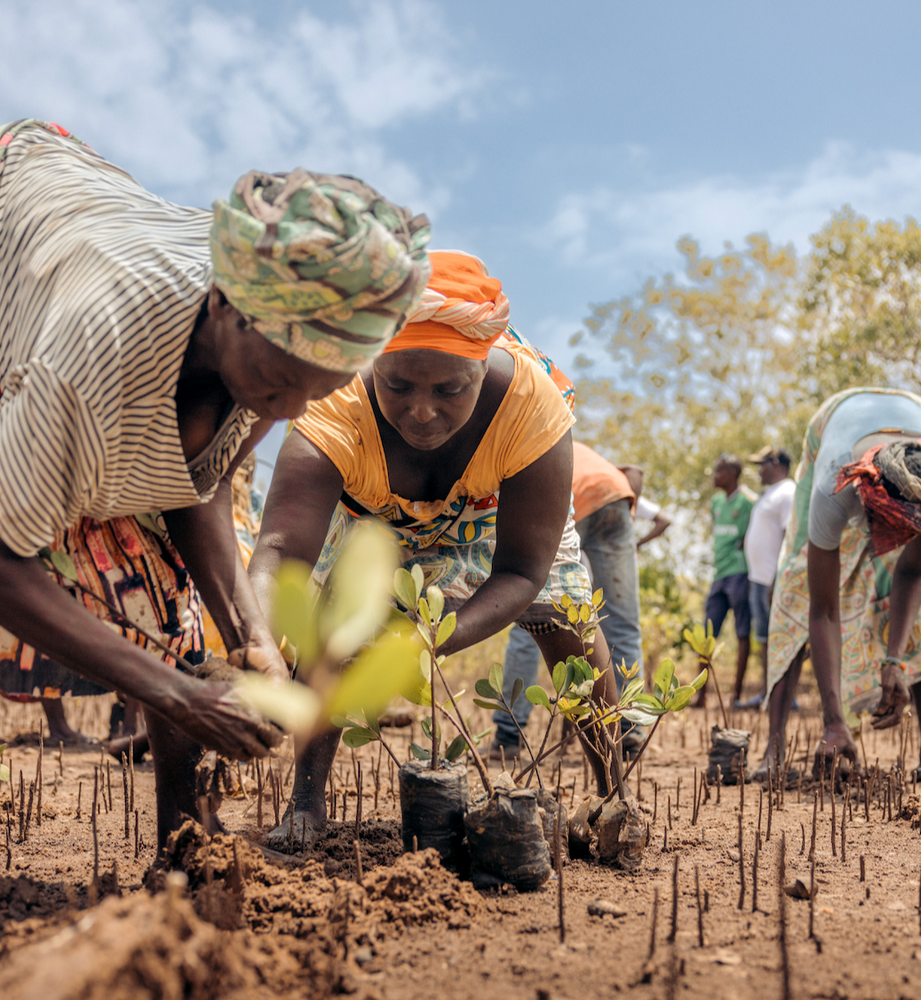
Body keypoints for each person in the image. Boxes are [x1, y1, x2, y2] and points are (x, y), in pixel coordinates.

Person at [0, 118, 431, 847]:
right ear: (225, 306)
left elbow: (194, 484)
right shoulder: (83, 367)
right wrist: (175, 695)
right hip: (21, 221)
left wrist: (248, 635)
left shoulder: (279, 328)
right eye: (277, 382)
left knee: (183, 626)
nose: (287, 412)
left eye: (318, 390)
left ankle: (183, 842)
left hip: (88, 221)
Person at [249, 250, 626, 846]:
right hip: (376, 517)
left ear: (483, 363)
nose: (422, 412)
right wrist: (256, 644)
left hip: (494, 508)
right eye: (397, 385)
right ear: (373, 361)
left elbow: (524, 571)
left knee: (568, 615)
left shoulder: (532, 404)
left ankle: (613, 797)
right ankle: (306, 803)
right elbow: (278, 552)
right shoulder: (335, 406)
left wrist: (439, 635)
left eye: (450, 389)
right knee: (332, 625)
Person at [756, 388, 921, 783]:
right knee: (795, 585)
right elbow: (823, 610)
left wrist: (894, 661)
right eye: (896, 529)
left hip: (916, 411)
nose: (901, 541)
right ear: (871, 500)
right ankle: (773, 747)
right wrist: (834, 720)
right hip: (833, 420)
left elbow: (912, 573)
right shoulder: (832, 489)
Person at [491, 444, 670, 758]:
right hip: (614, 499)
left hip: (561, 498)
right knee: (623, 623)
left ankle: (508, 735)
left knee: (529, 621)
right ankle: (629, 732)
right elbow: (635, 476)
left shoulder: (531, 441)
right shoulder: (598, 463)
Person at [735, 446, 795, 708]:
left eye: (762, 464)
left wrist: (778, 578)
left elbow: (790, 537)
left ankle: (784, 697)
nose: (758, 470)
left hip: (773, 581)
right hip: (758, 580)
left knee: (779, 639)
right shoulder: (769, 494)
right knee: (765, 639)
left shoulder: (787, 492)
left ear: (776, 464)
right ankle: (768, 693)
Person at [703, 455, 755, 701]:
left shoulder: (747, 502)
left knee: (742, 632)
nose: (715, 476)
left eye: (719, 471)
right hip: (719, 574)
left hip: (739, 573)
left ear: (733, 473)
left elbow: (751, 535)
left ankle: (736, 695)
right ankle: (700, 695)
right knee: (707, 633)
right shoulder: (715, 502)